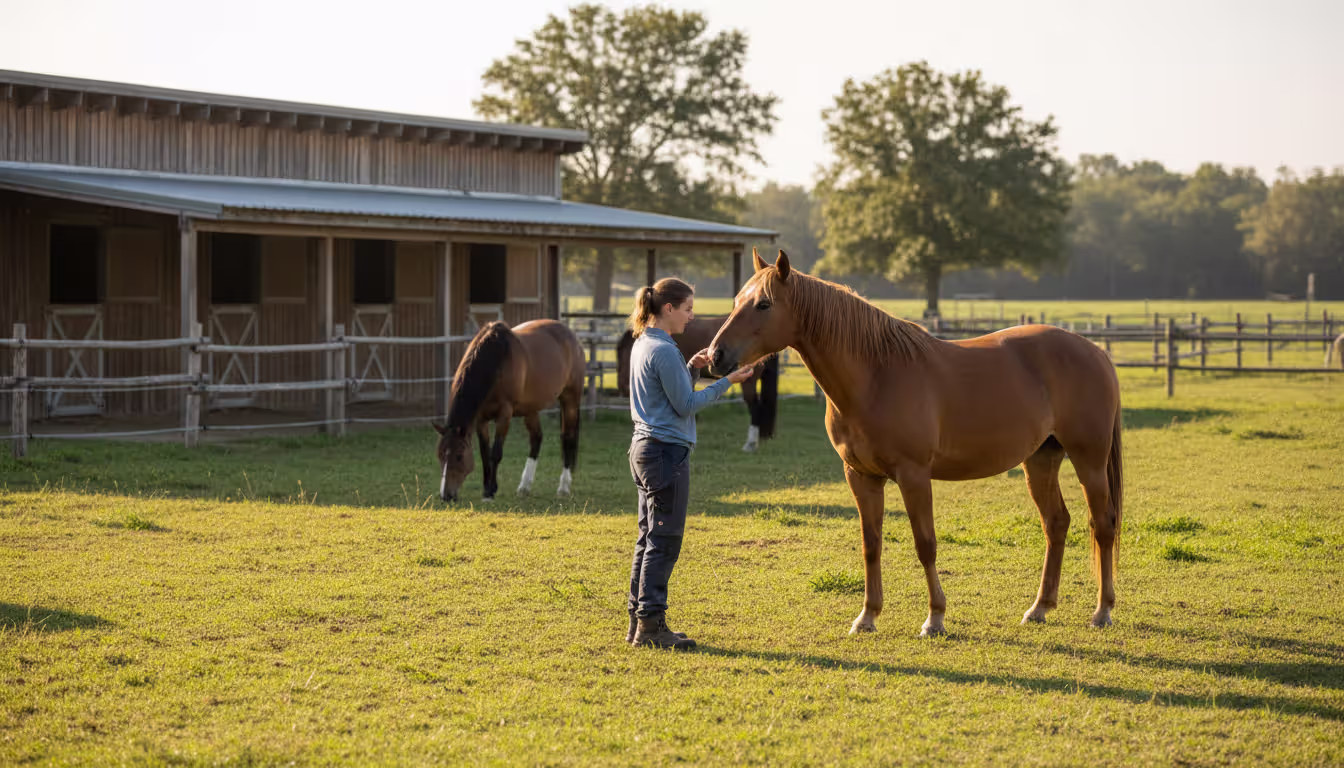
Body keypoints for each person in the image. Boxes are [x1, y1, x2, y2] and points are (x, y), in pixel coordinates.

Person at [624, 278, 754, 650]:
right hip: (665, 453)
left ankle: (639, 622)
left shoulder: (646, 343)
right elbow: (686, 405)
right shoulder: (663, 350)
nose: (691, 316)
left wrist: (691, 369)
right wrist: (726, 381)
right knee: (663, 542)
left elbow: (667, 393)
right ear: (668, 309)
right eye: (687, 309)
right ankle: (651, 626)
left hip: (646, 449)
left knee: (647, 539)